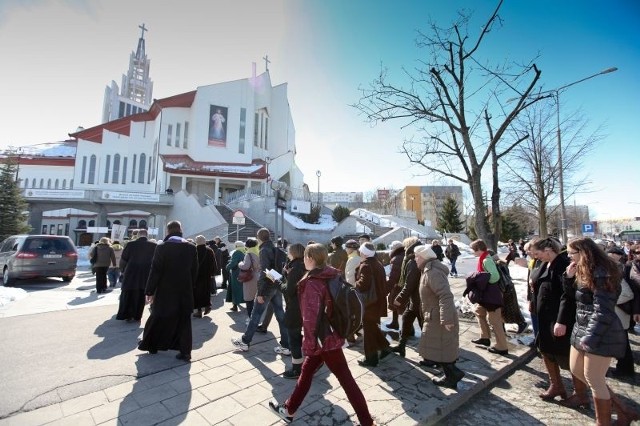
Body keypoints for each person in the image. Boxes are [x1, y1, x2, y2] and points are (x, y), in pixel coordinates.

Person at [268, 244, 374, 426]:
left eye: (305, 258)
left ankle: (367, 421)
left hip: (322, 339)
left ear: (310, 259)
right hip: (330, 334)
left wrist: (309, 345)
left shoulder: (312, 283)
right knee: (307, 372)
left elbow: (310, 318)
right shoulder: (331, 274)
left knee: (346, 380)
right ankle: (289, 409)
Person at [563, 237, 637, 425]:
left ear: (584, 252)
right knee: (576, 370)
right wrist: (568, 278)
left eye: (572, 253)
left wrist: (591, 337)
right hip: (581, 326)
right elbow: (577, 299)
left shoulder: (602, 272)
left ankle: (602, 421)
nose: (569, 257)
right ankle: (623, 411)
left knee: (594, 378)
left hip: (600, 331)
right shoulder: (582, 269)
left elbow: (603, 310)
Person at [529, 238, 582, 405]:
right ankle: (556, 385)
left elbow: (568, 295)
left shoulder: (564, 264)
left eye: (538, 254)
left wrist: (562, 321)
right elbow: (537, 281)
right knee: (545, 350)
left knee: (566, 356)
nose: (536, 257)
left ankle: (580, 393)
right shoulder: (545, 263)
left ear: (548, 249)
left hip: (559, 319)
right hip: (545, 318)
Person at [138, 220, 198, 362]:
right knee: (184, 321)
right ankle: (185, 353)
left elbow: (155, 270)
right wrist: (191, 286)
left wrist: (149, 291)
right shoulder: (191, 248)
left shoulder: (162, 247)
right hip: (184, 290)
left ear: (168, 231)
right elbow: (195, 271)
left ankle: (152, 346)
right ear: (180, 230)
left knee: (157, 317)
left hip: (165, 291)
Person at [414, 245, 465, 389]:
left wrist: (446, 319)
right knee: (440, 347)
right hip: (434, 316)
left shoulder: (432, 272)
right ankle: (451, 376)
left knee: (442, 347)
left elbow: (446, 295)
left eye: (417, 256)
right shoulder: (428, 270)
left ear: (423, 257)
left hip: (439, 317)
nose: (415, 259)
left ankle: (453, 375)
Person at [231, 228, 289, 353]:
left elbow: (265, 272)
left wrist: (261, 292)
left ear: (258, 238)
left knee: (255, 315)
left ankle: (245, 342)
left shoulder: (264, 250)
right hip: (276, 286)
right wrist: (277, 282)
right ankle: (286, 345)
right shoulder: (275, 249)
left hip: (267, 288)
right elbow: (275, 271)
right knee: (280, 315)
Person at [355, 242, 392, 367]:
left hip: (370, 304)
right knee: (372, 328)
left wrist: (354, 284)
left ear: (364, 253)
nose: (360, 252)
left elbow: (364, 284)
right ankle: (385, 347)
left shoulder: (366, 265)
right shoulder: (377, 263)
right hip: (378, 302)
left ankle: (371, 359)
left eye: (361, 251)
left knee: (369, 332)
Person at [469, 239, 509, 355]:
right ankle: (485, 337)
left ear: (478, 249)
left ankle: (502, 346)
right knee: (478, 312)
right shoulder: (484, 258)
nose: (473, 252)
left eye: (473, 250)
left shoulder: (486, 260)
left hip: (492, 296)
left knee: (494, 320)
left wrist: (480, 279)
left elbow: (494, 277)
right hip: (486, 296)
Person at [390, 237, 423, 358]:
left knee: (424, 326)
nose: (404, 249)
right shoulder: (413, 258)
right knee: (406, 319)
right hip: (415, 300)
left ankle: (432, 353)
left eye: (405, 246)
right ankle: (401, 346)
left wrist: (399, 298)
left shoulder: (413, 261)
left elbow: (410, 283)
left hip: (418, 300)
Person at [607, 246, 636, 378]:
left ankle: (625, 369)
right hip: (616, 314)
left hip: (618, 314)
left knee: (622, 343)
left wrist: (609, 301)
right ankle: (624, 368)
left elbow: (627, 294)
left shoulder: (616, 276)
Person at [116, 229, 156, 322]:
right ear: (147, 235)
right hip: (146, 273)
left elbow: (124, 259)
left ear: (138, 235)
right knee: (141, 295)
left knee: (129, 293)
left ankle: (127, 314)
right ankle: (137, 316)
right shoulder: (154, 245)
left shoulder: (130, 244)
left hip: (131, 272)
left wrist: (122, 270)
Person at [280, 243, 306, 379]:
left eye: (289, 251)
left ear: (294, 253)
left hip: (294, 308)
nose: (287, 253)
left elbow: (290, 291)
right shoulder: (303, 265)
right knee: (297, 336)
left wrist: (279, 282)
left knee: (293, 338)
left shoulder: (296, 268)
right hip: (302, 307)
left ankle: (297, 369)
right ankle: (302, 362)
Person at [193, 235, 215, 318]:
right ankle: (207, 306)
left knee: (197, 293)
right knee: (206, 291)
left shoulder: (194, 250)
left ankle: (199, 311)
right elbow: (213, 263)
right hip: (207, 275)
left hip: (197, 275)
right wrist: (212, 274)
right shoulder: (209, 250)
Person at [238, 238, 260, 321]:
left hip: (250, 278)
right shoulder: (259, 252)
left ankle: (251, 319)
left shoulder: (249, 254)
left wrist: (240, 264)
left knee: (249, 299)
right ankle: (256, 318)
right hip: (258, 276)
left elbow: (246, 266)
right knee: (256, 299)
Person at [385, 240, 404, 330]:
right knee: (398, 305)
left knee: (397, 304)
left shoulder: (396, 258)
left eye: (392, 247)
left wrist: (386, 289)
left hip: (397, 286)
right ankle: (395, 322)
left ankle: (401, 326)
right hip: (402, 285)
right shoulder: (403, 255)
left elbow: (394, 277)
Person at [226, 241, 246, 312]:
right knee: (242, 288)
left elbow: (233, 262)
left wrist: (227, 267)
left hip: (236, 273)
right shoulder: (244, 251)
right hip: (244, 273)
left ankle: (235, 305)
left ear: (237, 246)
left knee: (235, 289)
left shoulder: (236, 252)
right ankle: (245, 302)